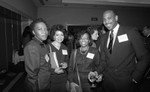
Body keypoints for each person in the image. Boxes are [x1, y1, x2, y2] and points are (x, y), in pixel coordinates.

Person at [99, 10, 150, 92]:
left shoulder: (130, 32)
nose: (106, 21)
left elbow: (144, 57)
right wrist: (97, 72)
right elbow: (103, 60)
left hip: (125, 82)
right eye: (104, 19)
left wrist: (135, 77)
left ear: (116, 18)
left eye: (109, 18)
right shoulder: (103, 37)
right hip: (108, 82)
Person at [24, 18, 51, 92]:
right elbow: (32, 74)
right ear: (33, 32)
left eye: (45, 29)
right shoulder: (32, 46)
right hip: (38, 85)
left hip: (45, 83)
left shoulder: (43, 44)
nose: (44, 32)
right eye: (40, 29)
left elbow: (46, 64)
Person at [48, 24, 69, 92]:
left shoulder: (65, 47)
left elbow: (67, 60)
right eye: (57, 35)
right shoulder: (48, 47)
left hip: (63, 78)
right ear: (53, 36)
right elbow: (44, 65)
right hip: (52, 79)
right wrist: (53, 70)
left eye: (62, 35)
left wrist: (66, 64)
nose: (60, 37)